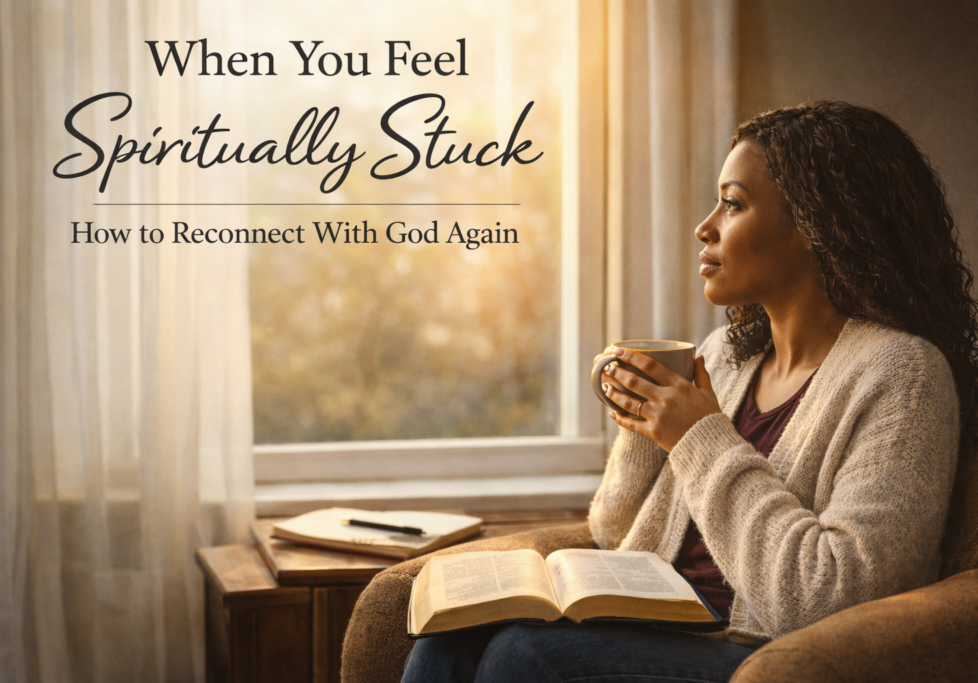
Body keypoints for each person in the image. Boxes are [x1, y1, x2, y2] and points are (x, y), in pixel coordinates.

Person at [401, 100, 976, 683]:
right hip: (658, 620)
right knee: (452, 630)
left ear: (815, 224)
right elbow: (615, 533)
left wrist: (698, 437)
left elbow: (827, 597)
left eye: (733, 204)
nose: (705, 227)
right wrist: (646, 429)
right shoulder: (724, 358)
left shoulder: (903, 376)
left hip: (758, 650)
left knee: (523, 656)